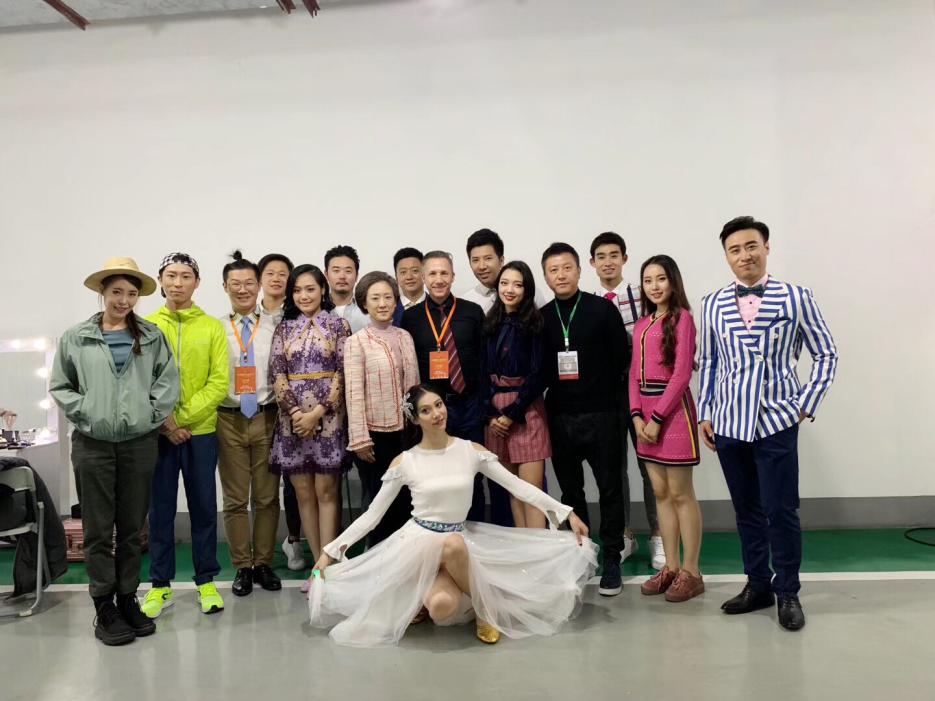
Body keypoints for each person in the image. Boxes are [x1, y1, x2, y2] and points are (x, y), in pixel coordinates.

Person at [308, 383, 596, 647]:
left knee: (449, 570)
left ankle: (465, 606)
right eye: (425, 410)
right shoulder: (406, 461)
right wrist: (330, 551)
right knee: (441, 605)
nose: (436, 414)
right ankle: (454, 602)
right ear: (415, 419)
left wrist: (565, 513)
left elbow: (518, 486)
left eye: (438, 405)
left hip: (458, 542)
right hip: (418, 547)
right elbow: (373, 516)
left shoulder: (470, 451)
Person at [699, 216, 838, 631]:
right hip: (729, 421)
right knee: (746, 510)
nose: (744, 255)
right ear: (726, 256)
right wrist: (706, 410)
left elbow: (826, 353)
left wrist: (805, 403)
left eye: (751, 246)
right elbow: (709, 362)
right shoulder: (711, 303)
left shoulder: (795, 297)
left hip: (776, 419)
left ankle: (788, 590)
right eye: (735, 250)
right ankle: (757, 583)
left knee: (781, 510)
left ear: (766, 248)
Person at [50, 257, 179, 645]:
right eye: (117, 292)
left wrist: (148, 416)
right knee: (98, 530)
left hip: (139, 444)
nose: (124, 300)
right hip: (93, 445)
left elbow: (167, 382)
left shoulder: (152, 336)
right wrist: (87, 413)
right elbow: (61, 386)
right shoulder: (77, 337)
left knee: (132, 529)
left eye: (132, 293)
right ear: (103, 292)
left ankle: (127, 599)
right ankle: (103, 606)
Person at [142, 253, 229, 619]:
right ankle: (159, 585)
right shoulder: (146, 326)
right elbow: (140, 379)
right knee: (160, 509)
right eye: (171, 275)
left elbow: (219, 382)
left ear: (197, 283)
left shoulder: (211, 327)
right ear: (161, 280)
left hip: (201, 432)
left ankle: (206, 580)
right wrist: (166, 423)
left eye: (186, 276)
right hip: (158, 434)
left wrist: (183, 420)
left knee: (204, 507)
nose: (178, 283)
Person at [540, 242, 628, 596]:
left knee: (610, 488)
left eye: (567, 268)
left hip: (602, 414)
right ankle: (583, 556)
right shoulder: (542, 318)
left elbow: (620, 359)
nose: (561, 275)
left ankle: (612, 558)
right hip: (561, 417)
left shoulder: (602, 310)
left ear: (579, 270)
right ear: (546, 276)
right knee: (571, 491)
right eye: (553, 270)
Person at [401, 251, 512, 527]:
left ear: (453, 276)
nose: (439, 279)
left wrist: (486, 407)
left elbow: (485, 363)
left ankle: (476, 537)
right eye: (432, 274)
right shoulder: (411, 318)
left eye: (444, 273)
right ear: (423, 277)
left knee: (474, 474)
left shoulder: (471, 312)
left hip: (470, 405)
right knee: (440, 477)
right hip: (435, 411)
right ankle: (447, 535)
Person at [269, 264, 351, 585]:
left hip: (328, 418)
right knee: (303, 493)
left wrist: (317, 413)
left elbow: (343, 373)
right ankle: (317, 569)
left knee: (326, 492)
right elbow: (277, 374)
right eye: (297, 290)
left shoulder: (338, 326)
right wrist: (295, 413)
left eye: (310, 289)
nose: (304, 295)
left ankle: (328, 565)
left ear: (323, 290)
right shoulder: (283, 329)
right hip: (292, 422)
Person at [629, 255, 704, 602]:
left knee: (680, 493)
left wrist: (657, 418)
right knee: (659, 492)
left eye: (661, 279)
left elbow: (682, 373)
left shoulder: (683, 318)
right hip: (644, 416)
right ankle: (670, 567)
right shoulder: (641, 325)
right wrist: (637, 417)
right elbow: (633, 374)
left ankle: (692, 571)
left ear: (673, 282)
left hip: (673, 414)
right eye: (648, 280)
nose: (654, 286)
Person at [589, 231, 663, 568]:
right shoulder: (589, 301)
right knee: (613, 467)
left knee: (650, 465)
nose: (608, 262)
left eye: (614, 255)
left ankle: (659, 535)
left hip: (643, 392)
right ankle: (624, 536)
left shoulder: (642, 295)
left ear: (624, 259)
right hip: (607, 394)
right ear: (592, 263)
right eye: (601, 257)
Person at [217, 251, 282, 598]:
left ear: (259, 286)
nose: (242, 290)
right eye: (235, 284)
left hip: (267, 416)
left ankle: (264, 563)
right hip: (228, 418)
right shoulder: (216, 328)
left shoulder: (274, 326)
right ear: (224, 286)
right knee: (235, 499)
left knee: (267, 497)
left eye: (248, 283)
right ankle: (242, 565)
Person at [345, 271, 420, 547]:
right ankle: (379, 559)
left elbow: (414, 385)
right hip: (375, 438)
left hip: (407, 434)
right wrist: (360, 438)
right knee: (380, 503)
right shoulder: (356, 342)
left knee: (407, 502)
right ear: (364, 303)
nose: (382, 303)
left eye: (388, 297)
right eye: (375, 298)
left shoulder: (405, 337)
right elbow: (353, 393)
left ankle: (406, 559)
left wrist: (419, 428)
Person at [481, 261, 551, 529]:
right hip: (495, 415)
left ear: (527, 289)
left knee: (532, 493)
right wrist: (491, 415)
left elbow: (539, 374)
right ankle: (524, 548)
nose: (509, 290)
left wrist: (512, 413)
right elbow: (481, 373)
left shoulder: (536, 323)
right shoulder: (489, 322)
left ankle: (539, 550)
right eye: (504, 283)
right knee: (513, 491)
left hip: (526, 410)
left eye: (517, 284)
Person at [257, 253, 308, 573]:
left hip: (295, 409)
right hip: (261, 406)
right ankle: (262, 549)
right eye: (270, 273)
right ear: (260, 278)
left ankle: (294, 539)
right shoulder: (250, 317)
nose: (276, 279)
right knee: (265, 483)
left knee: (295, 477)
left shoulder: (299, 315)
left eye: (283, 274)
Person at [461, 228, 547, 312]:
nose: (482, 266)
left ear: (501, 260)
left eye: (488, 258)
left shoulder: (529, 292)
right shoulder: (466, 301)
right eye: (475, 260)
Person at [325, 245, 369, 334]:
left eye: (348, 271)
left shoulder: (369, 309)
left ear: (356, 276)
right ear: (326, 275)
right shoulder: (317, 308)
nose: (342, 276)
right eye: (336, 271)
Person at [391, 247, 425, 326]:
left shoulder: (438, 307)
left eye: (415, 271)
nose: (409, 277)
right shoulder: (389, 310)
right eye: (403, 272)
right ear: (396, 277)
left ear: (424, 274)